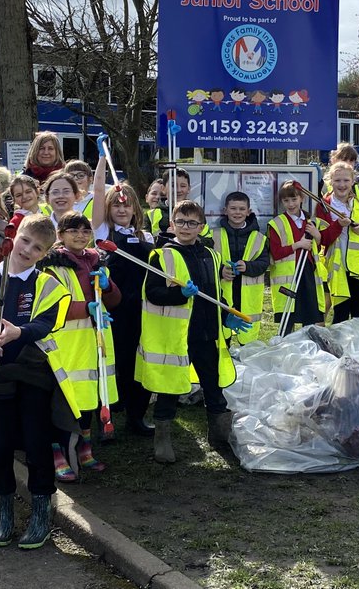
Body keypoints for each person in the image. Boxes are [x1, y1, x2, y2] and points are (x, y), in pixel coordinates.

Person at [0, 214, 75, 549]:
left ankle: (40, 514)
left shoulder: (50, 287)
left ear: (45, 253)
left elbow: (47, 324)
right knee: (1, 446)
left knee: (37, 446)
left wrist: (20, 332)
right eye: (25, 241)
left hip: (35, 377)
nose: (28, 250)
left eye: (37, 248)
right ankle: (4, 514)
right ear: (14, 236)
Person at [138, 200, 249, 463]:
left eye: (192, 223)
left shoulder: (211, 255)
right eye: (181, 222)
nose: (186, 227)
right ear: (172, 224)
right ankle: (162, 439)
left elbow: (215, 293)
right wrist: (178, 294)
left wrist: (225, 318)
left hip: (207, 333)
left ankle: (219, 435)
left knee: (213, 386)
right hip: (177, 336)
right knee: (170, 388)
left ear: (201, 227)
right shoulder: (161, 255)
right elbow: (152, 294)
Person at [39, 213, 120, 480]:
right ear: (60, 235)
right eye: (73, 230)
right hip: (67, 344)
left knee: (89, 397)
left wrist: (108, 288)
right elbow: (51, 306)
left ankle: (84, 447)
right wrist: (85, 308)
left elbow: (115, 300)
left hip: (95, 342)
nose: (80, 235)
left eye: (85, 230)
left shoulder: (98, 261)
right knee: (63, 399)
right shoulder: (51, 266)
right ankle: (57, 451)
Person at [91, 155, 157, 435]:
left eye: (126, 204)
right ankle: (106, 418)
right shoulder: (103, 231)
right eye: (116, 204)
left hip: (141, 309)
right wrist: (102, 163)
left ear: (135, 208)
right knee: (110, 362)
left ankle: (136, 415)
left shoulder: (147, 237)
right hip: (112, 308)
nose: (121, 209)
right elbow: (96, 194)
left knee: (137, 361)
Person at [316, 161, 359, 323]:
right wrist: (338, 225)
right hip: (338, 268)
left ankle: (358, 348)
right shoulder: (324, 206)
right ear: (330, 182)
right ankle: (340, 348)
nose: (342, 185)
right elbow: (323, 238)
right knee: (341, 313)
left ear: (353, 181)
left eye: (346, 180)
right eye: (337, 181)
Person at [212, 191, 270, 345]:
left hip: (247, 295)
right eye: (233, 208)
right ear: (226, 211)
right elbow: (206, 261)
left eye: (241, 209)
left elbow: (264, 263)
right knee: (222, 337)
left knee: (248, 340)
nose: (237, 212)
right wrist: (220, 271)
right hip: (224, 291)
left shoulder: (259, 237)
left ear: (248, 211)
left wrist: (248, 266)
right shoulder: (214, 234)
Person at [267, 181, 326, 332]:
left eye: (294, 199)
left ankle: (309, 350)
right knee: (288, 318)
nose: (291, 204)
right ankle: (287, 350)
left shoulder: (311, 222)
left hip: (308, 272)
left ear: (301, 199)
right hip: (288, 276)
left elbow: (319, 248)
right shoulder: (276, 223)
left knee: (310, 316)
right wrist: (298, 245)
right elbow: (276, 252)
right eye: (286, 200)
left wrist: (317, 236)